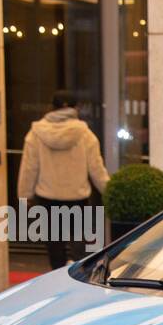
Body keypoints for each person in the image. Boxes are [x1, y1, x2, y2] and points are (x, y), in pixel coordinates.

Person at [16, 90, 110, 269]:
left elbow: (29, 167)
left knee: (55, 248)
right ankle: (77, 282)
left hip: (48, 199)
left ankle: (57, 281)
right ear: (76, 108)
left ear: (52, 106)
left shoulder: (36, 134)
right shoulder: (85, 134)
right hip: (77, 199)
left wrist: (24, 195)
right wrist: (111, 193)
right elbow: (97, 169)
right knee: (80, 250)